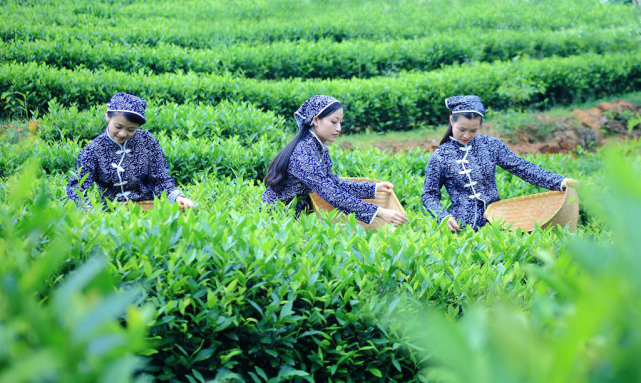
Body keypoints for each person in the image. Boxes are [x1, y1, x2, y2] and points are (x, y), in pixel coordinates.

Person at [422, 95, 576, 232]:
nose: (467, 135)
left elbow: (522, 167)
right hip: (461, 228)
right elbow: (429, 195)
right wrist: (443, 216)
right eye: (461, 129)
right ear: (451, 121)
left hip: (498, 224)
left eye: (473, 130)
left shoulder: (491, 145)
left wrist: (559, 181)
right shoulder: (439, 157)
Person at [261, 95, 408, 226]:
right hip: (275, 217)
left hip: (295, 213)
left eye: (340, 123)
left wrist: (374, 189)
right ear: (315, 120)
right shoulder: (302, 154)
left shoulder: (319, 149)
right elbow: (331, 193)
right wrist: (379, 212)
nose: (338, 128)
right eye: (333, 121)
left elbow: (334, 183)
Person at [66, 92, 194, 209]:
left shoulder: (147, 142)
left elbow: (160, 179)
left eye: (131, 129)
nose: (122, 133)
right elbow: (78, 186)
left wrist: (177, 197)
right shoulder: (93, 150)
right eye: (118, 126)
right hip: (112, 212)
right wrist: (87, 209)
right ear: (107, 116)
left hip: (148, 208)